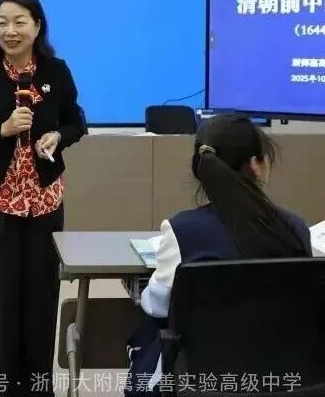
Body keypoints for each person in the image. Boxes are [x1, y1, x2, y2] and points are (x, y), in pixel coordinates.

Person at [0, 0, 86, 396]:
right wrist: (3, 129)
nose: (9, 31)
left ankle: (39, 388)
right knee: (1, 303)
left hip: (44, 203)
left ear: (37, 26)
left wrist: (57, 137)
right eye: (2, 22)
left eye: (19, 22)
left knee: (42, 301)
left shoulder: (56, 71)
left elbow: (76, 122)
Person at [126, 114, 312, 395]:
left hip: (202, 377)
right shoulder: (295, 229)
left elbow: (158, 307)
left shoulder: (181, 230)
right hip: (286, 376)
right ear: (255, 165)